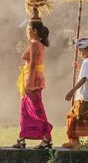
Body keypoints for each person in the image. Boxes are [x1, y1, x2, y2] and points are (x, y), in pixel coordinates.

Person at [13, 19, 53, 149]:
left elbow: (33, 65)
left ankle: (47, 137)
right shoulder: (37, 43)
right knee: (25, 109)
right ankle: (21, 138)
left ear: (34, 31)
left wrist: (29, 83)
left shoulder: (36, 44)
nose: (26, 32)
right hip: (30, 78)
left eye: (28, 29)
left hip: (33, 80)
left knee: (36, 110)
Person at [63, 37, 88, 150]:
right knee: (72, 117)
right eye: (79, 50)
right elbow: (86, 74)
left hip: (85, 98)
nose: (80, 52)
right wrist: (79, 68)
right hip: (82, 97)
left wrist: (72, 91)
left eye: (82, 50)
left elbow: (84, 79)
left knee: (84, 120)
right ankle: (74, 141)